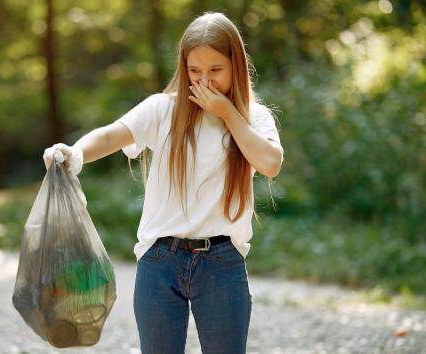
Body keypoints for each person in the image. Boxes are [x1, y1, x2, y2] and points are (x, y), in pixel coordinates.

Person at [43, 11, 283, 354]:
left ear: (236, 66)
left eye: (216, 70)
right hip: (159, 261)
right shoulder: (162, 110)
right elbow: (113, 134)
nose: (205, 81)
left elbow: (271, 163)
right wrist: (74, 153)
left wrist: (227, 113)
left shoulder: (253, 117)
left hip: (223, 262)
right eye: (195, 70)